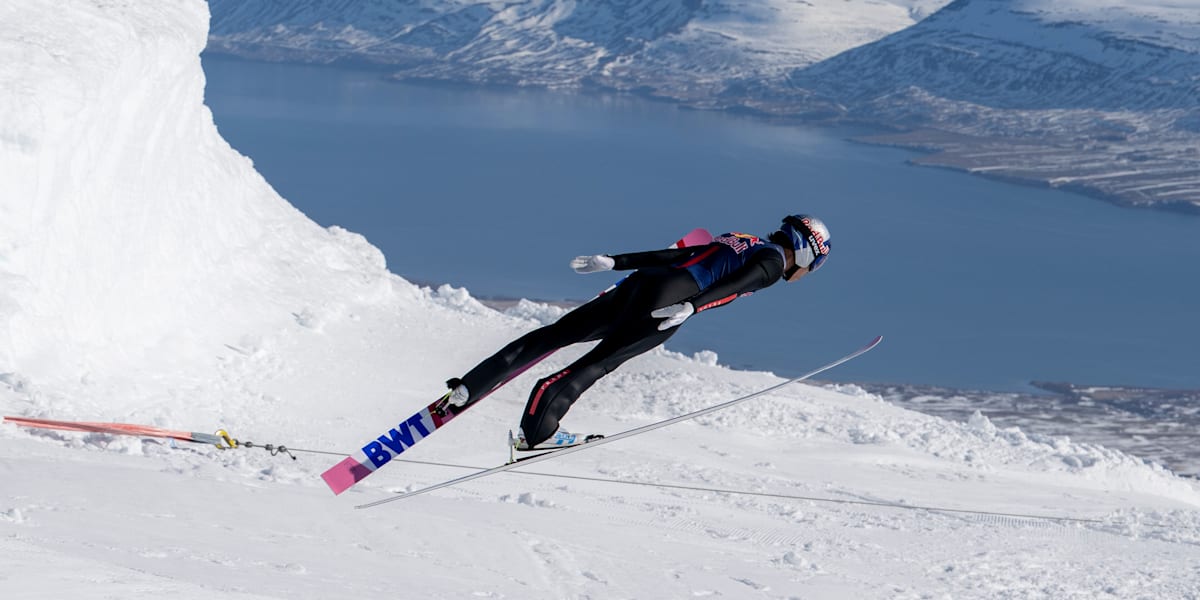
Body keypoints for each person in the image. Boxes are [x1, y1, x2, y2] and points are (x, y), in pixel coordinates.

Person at [438, 214, 832, 451]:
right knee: (598, 362)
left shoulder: (743, 239)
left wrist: (615, 262)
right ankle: (537, 433)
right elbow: (735, 285)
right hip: (667, 303)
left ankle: (469, 387)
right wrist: (692, 307)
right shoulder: (771, 264)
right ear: (806, 252)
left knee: (555, 335)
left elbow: (680, 254)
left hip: (642, 282)